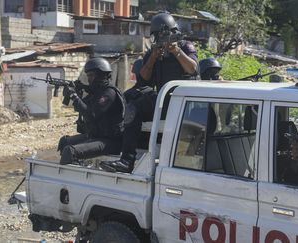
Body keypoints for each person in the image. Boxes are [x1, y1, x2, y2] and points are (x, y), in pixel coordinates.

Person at [100, 12, 199, 173]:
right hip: (164, 101)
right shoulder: (154, 51)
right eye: (158, 35)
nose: (162, 38)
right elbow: (144, 80)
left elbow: (193, 69)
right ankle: (127, 160)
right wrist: (153, 57)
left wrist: (176, 51)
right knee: (133, 107)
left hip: (183, 103)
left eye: (165, 34)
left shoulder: (185, 46)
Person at [57, 57, 125, 165]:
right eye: (88, 75)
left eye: (91, 75)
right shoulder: (96, 93)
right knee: (64, 142)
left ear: (101, 75)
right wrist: (76, 93)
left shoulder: (109, 93)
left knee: (70, 151)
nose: (89, 79)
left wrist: (75, 97)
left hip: (110, 141)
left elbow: (91, 114)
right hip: (95, 136)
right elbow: (82, 108)